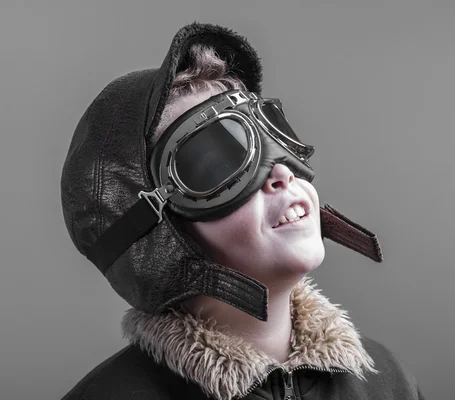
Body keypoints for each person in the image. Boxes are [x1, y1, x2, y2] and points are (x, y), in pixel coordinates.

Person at [60, 22, 425, 400]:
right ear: (154, 232)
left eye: (272, 132)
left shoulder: (387, 382)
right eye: (216, 160)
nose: (281, 172)